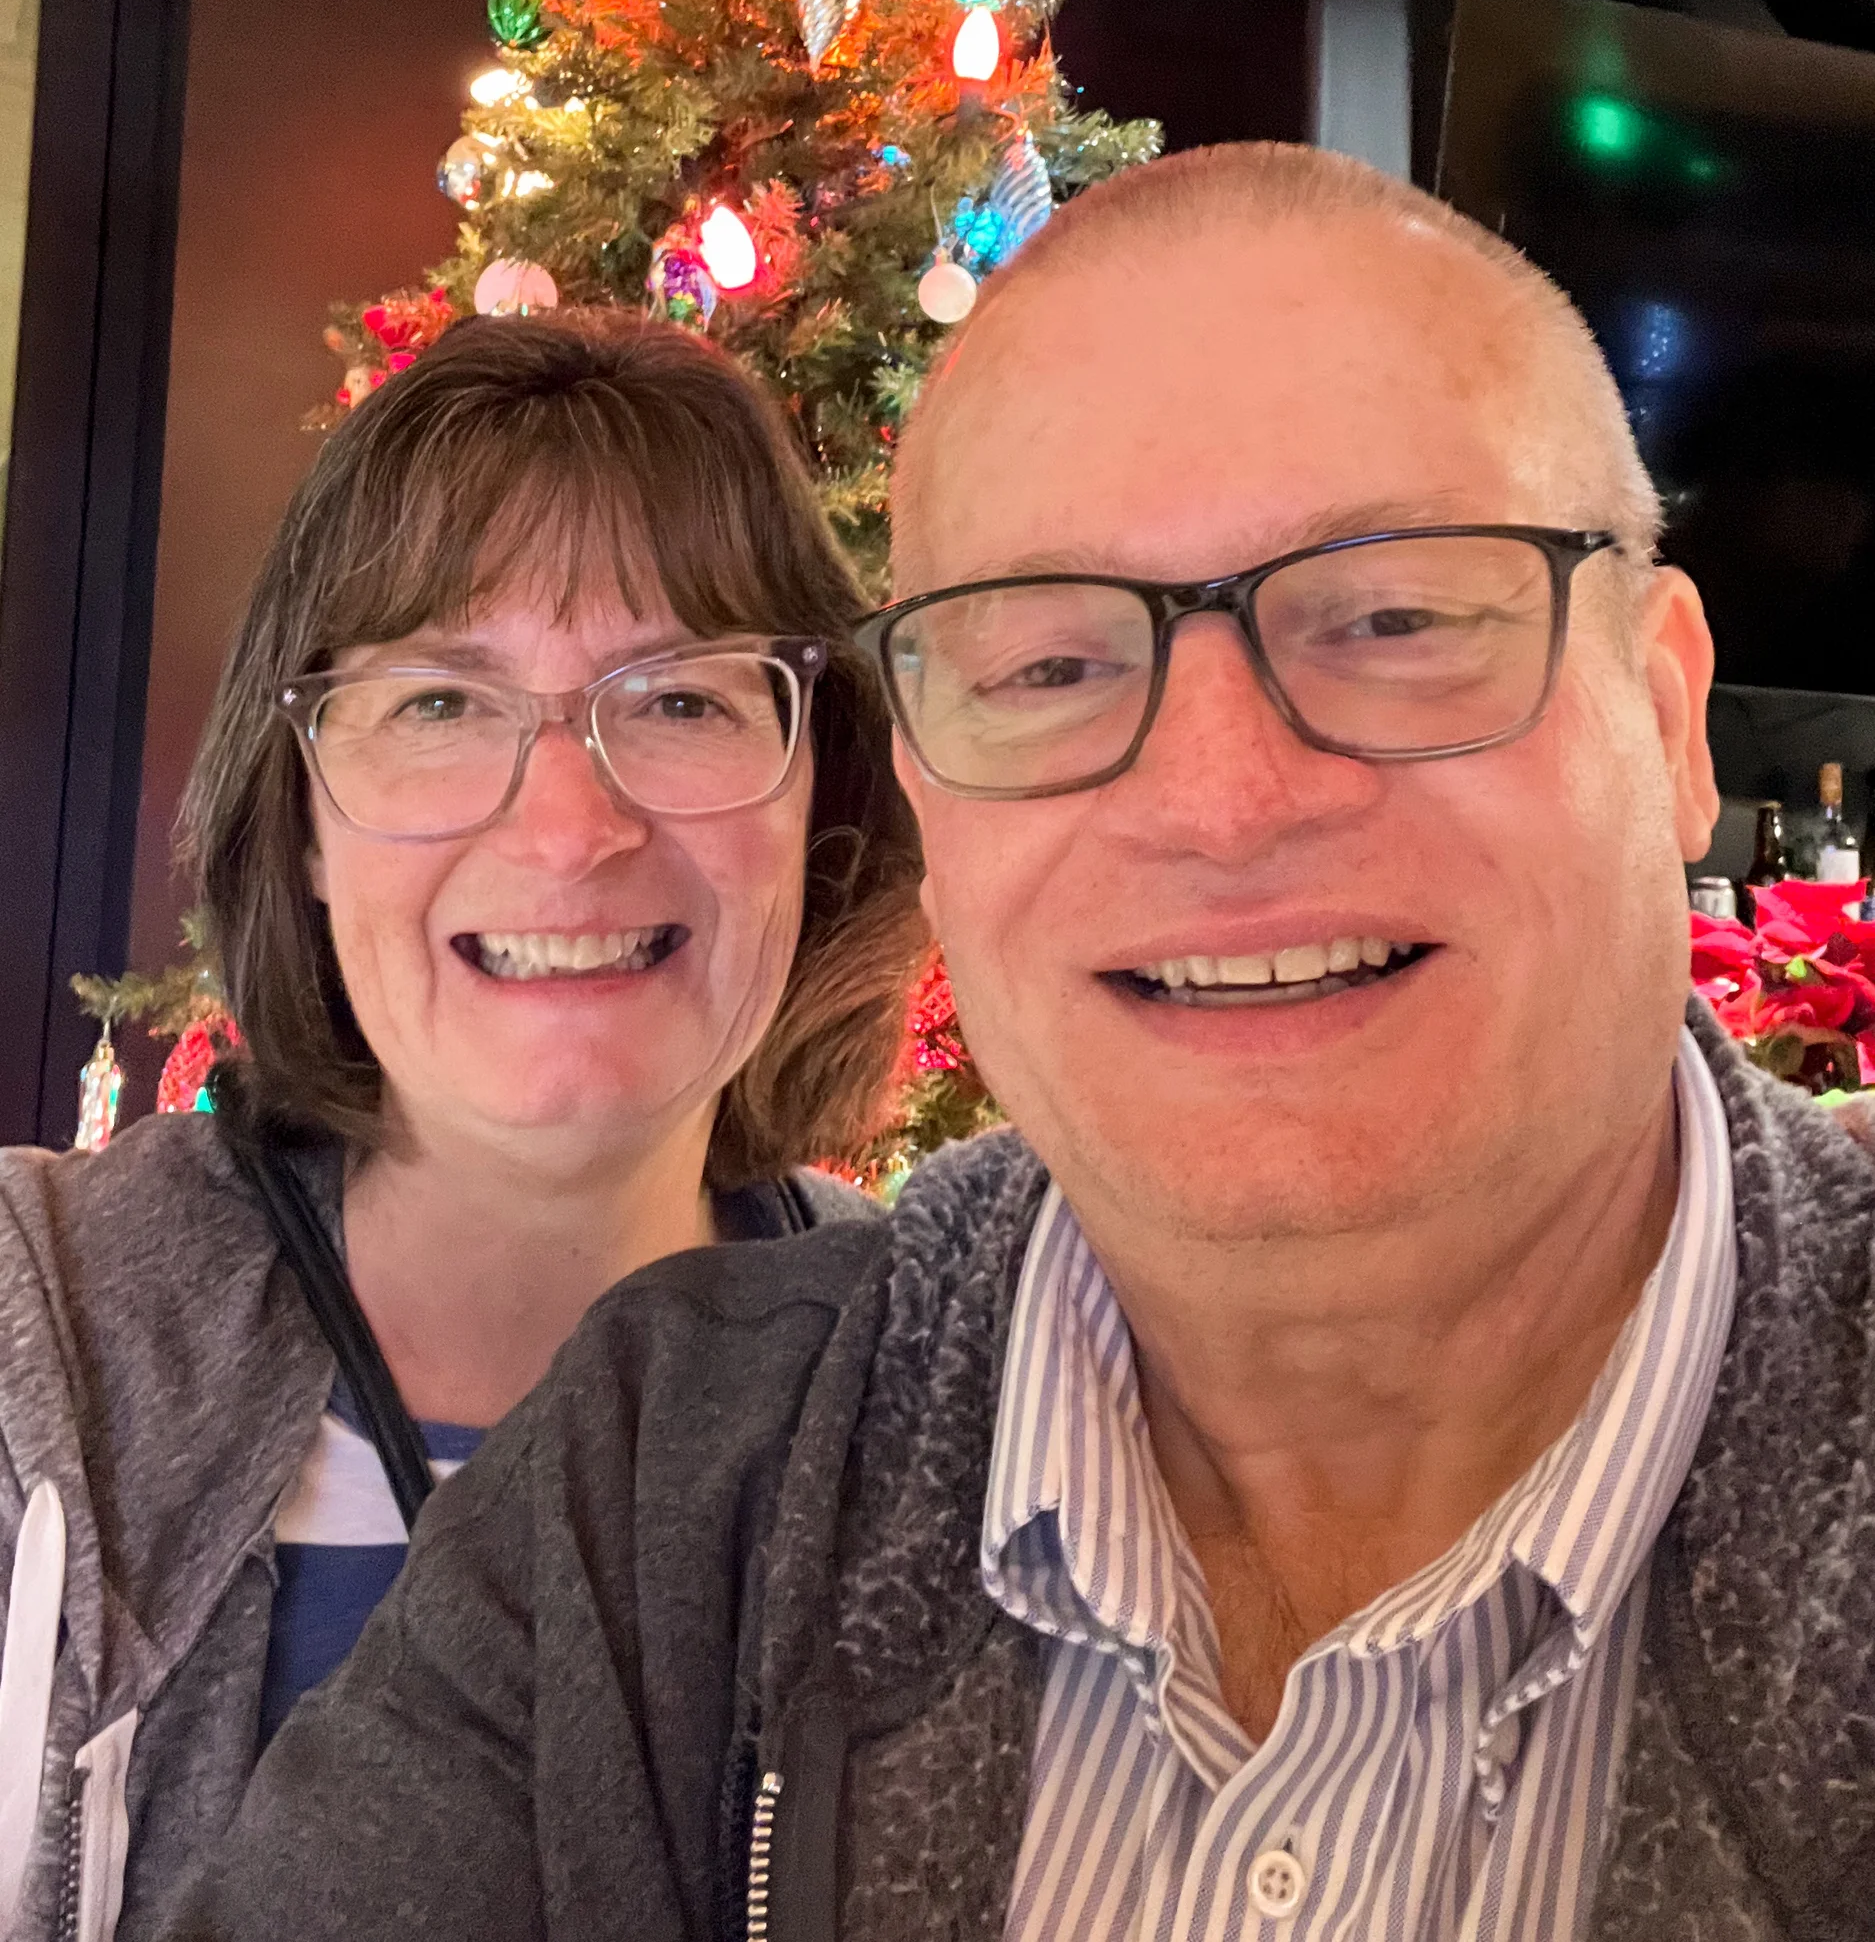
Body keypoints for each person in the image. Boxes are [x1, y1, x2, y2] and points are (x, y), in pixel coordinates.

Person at [155, 146, 1875, 1942]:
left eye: (1391, 619)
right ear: (922, 787)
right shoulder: (664, 1484)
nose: (1219, 803)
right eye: (1049, 665)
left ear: (1667, 712)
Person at [0, 310, 921, 1942]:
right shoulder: (34, 1344)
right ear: (299, 824)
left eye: (684, 700)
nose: (570, 829)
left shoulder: (951, 1389)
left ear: (819, 801)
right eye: (438, 702)